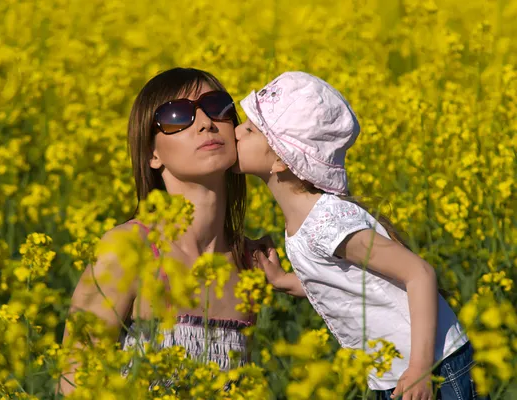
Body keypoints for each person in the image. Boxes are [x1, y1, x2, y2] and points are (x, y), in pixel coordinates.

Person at [234, 71, 487, 399]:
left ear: (281, 160)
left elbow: (419, 273)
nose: (236, 131)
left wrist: (420, 369)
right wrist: (285, 281)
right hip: (396, 372)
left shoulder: (327, 221)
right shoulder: (304, 219)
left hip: (435, 366)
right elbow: (342, 280)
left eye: (250, 129)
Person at [58, 68, 254, 395]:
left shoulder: (250, 263)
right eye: (178, 115)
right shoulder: (128, 249)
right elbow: (75, 380)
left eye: (218, 106)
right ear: (152, 154)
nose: (206, 122)